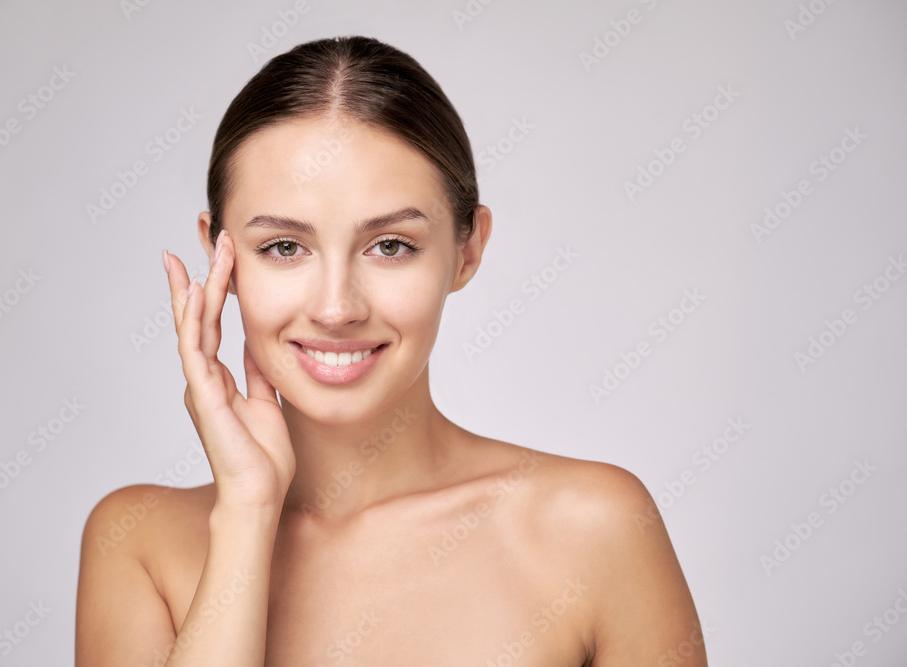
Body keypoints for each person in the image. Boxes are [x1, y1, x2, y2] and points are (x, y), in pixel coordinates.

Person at [75, 35, 707, 666]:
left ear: (467, 250)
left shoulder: (596, 530)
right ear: (222, 258)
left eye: (391, 246)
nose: (336, 307)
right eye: (285, 248)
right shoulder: (137, 544)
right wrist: (246, 511)